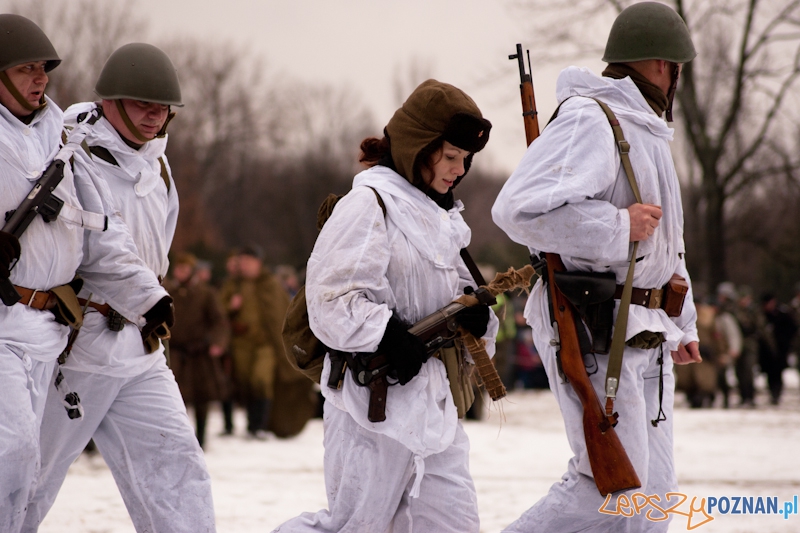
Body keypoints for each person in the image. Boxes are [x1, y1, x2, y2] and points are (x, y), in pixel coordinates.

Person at [492, 3, 701, 531]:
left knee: (653, 500)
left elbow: (668, 247)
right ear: (662, 64)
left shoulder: (647, 130)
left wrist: (684, 323)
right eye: (677, 67)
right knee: (608, 488)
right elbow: (517, 210)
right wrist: (616, 224)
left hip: (645, 329)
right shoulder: (591, 119)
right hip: (596, 327)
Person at [272, 79, 497, 533]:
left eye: (466, 160)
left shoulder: (442, 219)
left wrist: (477, 315)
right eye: (451, 156)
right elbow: (331, 300)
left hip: (435, 408)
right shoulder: (367, 205)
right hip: (371, 407)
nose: (459, 170)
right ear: (419, 148)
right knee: (355, 528)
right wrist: (386, 334)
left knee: (454, 526)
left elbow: (457, 291)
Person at [22, 44, 216, 532]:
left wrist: (150, 301)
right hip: (81, 344)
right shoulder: (73, 156)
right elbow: (98, 248)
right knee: (30, 478)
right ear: (109, 101)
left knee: (178, 469)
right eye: (142, 104)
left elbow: (157, 253)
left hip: (141, 346)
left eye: (162, 107)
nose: (155, 116)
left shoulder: (159, 166)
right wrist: (149, 299)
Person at [0, 17, 169, 533]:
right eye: (25, 68)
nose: (40, 78)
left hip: (45, 330)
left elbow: (100, 231)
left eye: (43, 68)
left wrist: (147, 298)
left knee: (24, 467)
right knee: (11, 453)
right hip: (3, 326)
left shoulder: (61, 140)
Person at [220, 244, 290, 439]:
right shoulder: (233, 285)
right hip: (241, 343)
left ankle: (260, 425)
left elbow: (282, 312)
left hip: (265, 344)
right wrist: (231, 307)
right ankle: (251, 425)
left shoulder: (271, 283)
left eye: (249, 261)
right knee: (245, 383)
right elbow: (218, 312)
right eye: (242, 261)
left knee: (261, 380)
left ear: (258, 262)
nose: (245, 265)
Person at [166, 252, 230, 448]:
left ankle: (201, 438)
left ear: (192, 271)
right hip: (175, 353)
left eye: (185, 269)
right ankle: (180, 439)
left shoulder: (206, 293)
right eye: (178, 268)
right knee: (176, 398)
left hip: (199, 353)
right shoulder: (167, 292)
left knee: (202, 397)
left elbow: (219, 321)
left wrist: (217, 343)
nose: (180, 272)